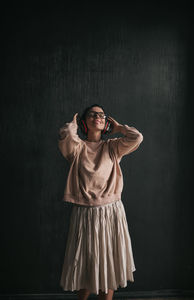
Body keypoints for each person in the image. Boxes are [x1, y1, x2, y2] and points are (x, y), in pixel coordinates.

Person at [58, 104, 143, 300]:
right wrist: (73, 124)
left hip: (111, 213)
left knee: (109, 264)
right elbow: (65, 136)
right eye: (92, 115)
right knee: (85, 265)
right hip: (85, 214)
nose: (98, 117)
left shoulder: (112, 147)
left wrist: (120, 128)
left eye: (102, 115)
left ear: (106, 123)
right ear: (85, 122)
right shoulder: (77, 148)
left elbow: (137, 137)